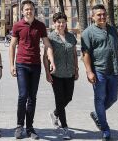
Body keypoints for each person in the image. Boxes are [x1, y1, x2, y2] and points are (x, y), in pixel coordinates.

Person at [81, 4, 118, 141]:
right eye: (99, 15)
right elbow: (85, 53)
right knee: (100, 99)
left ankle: (97, 114)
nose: (102, 17)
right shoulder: (88, 33)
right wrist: (89, 72)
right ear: (93, 16)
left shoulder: (113, 30)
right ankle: (105, 130)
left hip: (113, 70)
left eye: (104, 14)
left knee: (113, 97)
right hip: (99, 71)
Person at [9, 0, 55, 139]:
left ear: (34, 10)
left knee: (32, 97)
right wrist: (11, 65)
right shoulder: (17, 26)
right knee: (23, 95)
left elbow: (47, 44)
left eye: (31, 9)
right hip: (21, 64)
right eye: (26, 9)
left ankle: (29, 127)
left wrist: (51, 60)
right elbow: (12, 46)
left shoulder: (40, 26)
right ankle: (19, 126)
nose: (29, 11)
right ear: (22, 11)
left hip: (35, 65)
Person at [43, 12, 78, 140]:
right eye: (58, 22)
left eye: (63, 22)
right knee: (59, 99)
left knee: (68, 97)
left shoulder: (71, 37)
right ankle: (64, 127)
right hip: (56, 75)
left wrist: (77, 69)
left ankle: (55, 113)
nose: (61, 24)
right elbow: (45, 57)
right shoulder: (50, 38)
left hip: (69, 73)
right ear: (54, 23)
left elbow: (74, 54)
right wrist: (47, 72)